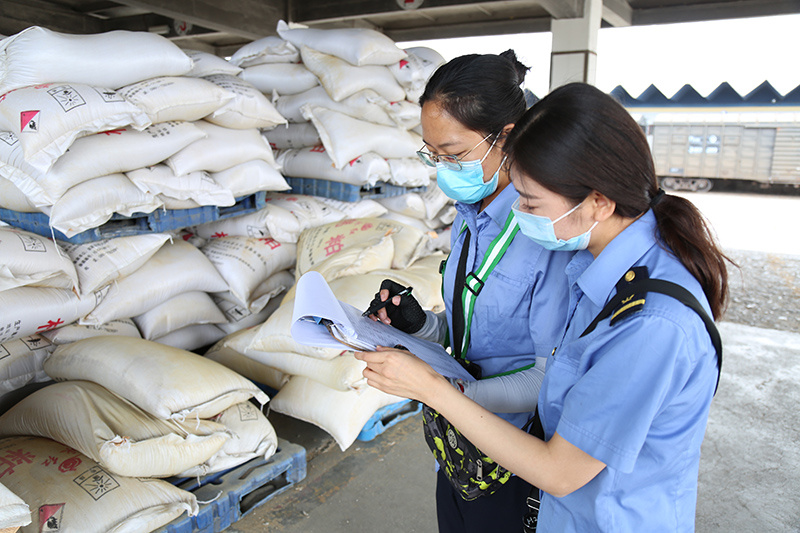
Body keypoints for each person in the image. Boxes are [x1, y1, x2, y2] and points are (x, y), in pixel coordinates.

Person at [357, 82, 731, 532]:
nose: (519, 212)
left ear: (598, 201)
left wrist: (434, 390)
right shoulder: (595, 270)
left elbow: (561, 471)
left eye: (531, 202)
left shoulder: (651, 323)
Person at [366, 52, 574, 532]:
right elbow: (472, 337)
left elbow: (550, 381)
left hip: (514, 460)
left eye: (453, 154)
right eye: (431, 154)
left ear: (506, 136)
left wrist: (444, 393)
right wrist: (422, 326)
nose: (441, 168)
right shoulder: (469, 214)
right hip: (458, 451)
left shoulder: (546, 233)